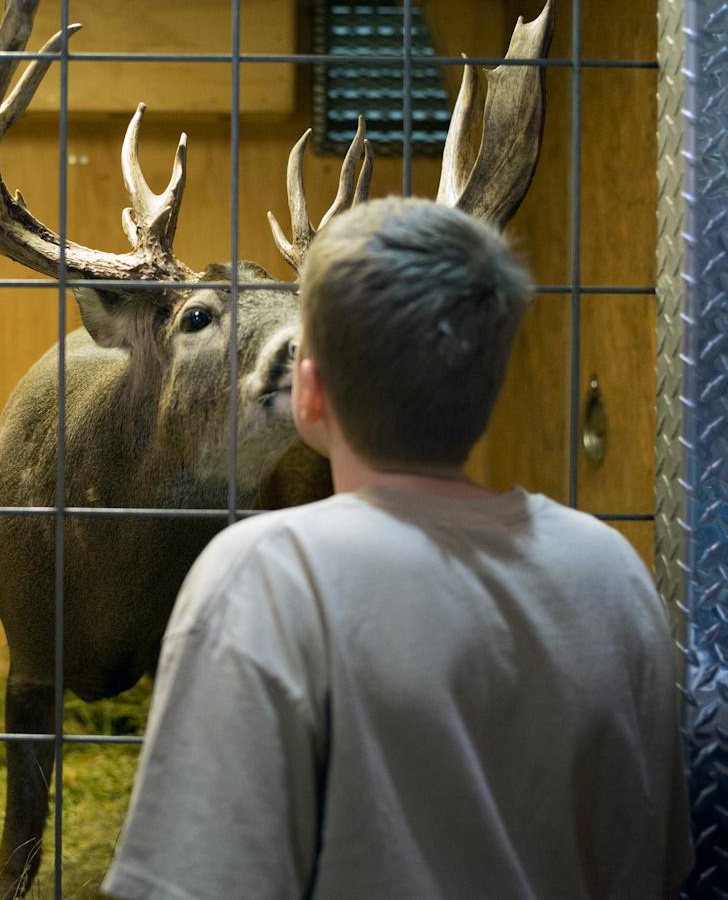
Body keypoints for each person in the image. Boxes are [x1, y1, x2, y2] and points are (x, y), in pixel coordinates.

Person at [101, 197, 692, 899]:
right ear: (489, 383)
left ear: (309, 393)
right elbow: (653, 864)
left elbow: (193, 881)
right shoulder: (611, 571)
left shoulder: (266, 576)